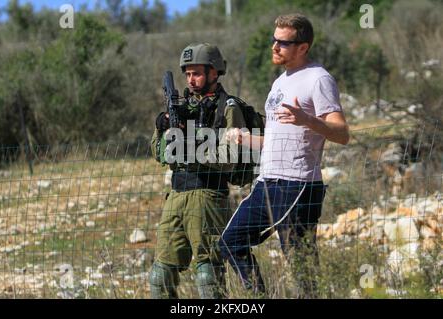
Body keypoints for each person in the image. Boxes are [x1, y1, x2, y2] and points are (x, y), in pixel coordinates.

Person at [219, 13, 350, 298]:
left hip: (298, 185)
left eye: (283, 43)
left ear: (303, 47)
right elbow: (278, 140)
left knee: (302, 267)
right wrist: (244, 138)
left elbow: (342, 133)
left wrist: (309, 120)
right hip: (268, 183)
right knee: (230, 241)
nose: (274, 47)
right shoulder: (280, 82)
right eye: (273, 40)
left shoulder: (318, 79)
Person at [149, 43, 247, 298]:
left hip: (208, 195)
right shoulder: (181, 107)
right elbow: (160, 155)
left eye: (198, 73)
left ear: (214, 73)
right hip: (177, 194)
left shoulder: (228, 107)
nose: (191, 80)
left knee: (208, 275)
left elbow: (230, 158)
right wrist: (163, 129)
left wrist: (191, 143)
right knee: (160, 275)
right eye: (188, 74)